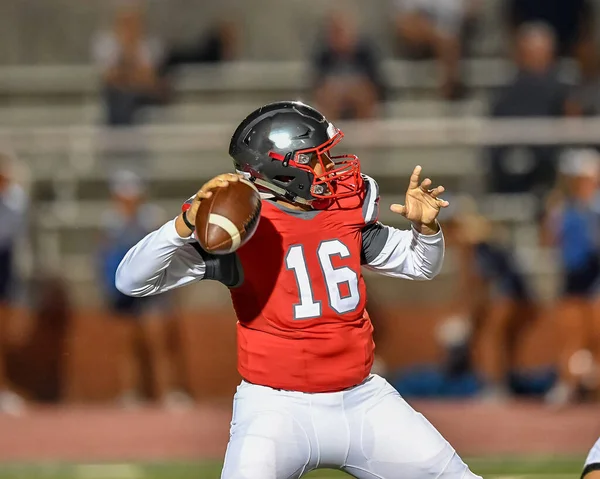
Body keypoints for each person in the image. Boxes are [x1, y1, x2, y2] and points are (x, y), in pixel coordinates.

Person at [116, 101, 481, 478]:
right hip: (275, 409)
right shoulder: (240, 229)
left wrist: (426, 231)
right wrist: (182, 223)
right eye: (317, 158)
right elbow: (131, 280)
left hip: (362, 399)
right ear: (284, 167)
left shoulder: (344, 206)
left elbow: (420, 265)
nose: (330, 166)